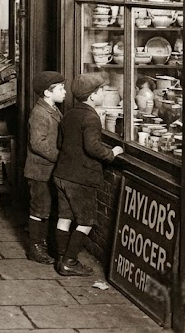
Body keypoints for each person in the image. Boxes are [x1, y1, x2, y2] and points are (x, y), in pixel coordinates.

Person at [52, 73, 123, 277]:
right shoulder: (91, 117)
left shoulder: (69, 114)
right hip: (80, 179)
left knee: (64, 218)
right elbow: (92, 148)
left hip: (62, 174)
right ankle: (69, 261)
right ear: (92, 96)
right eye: (101, 91)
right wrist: (112, 153)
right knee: (86, 221)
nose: (103, 93)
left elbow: (60, 144)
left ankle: (60, 257)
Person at [25, 71, 65, 265]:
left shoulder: (54, 109)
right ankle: (35, 248)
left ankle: (43, 244)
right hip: (39, 171)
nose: (64, 91)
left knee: (46, 208)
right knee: (39, 209)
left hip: (47, 170)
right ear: (47, 93)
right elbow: (38, 143)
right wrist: (60, 157)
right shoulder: (40, 113)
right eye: (60, 88)